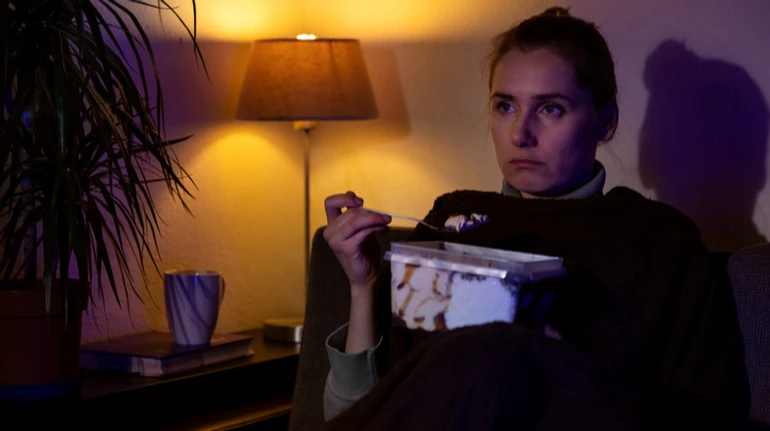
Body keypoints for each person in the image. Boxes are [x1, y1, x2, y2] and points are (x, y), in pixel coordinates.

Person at [320, 7, 747, 431]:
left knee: (494, 347)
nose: (520, 134)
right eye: (505, 106)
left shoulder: (661, 243)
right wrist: (365, 287)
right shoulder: (450, 219)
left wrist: (555, 367)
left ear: (605, 121)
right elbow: (354, 414)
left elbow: (709, 419)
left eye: (550, 109)